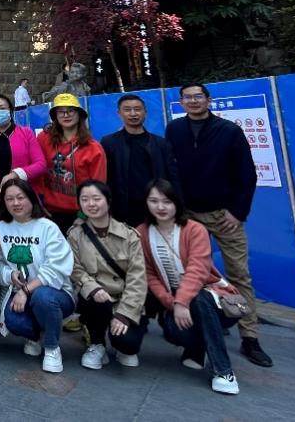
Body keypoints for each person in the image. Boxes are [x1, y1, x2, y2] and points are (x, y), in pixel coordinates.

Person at [165, 83, 270, 368]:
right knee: (190, 273)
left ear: (208, 100)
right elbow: (171, 170)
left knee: (239, 274)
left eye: (198, 96)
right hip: (187, 214)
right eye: (188, 97)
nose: (193, 101)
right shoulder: (175, 130)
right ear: (181, 102)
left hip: (224, 215)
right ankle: (203, 322)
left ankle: (249, 336)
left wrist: (237, 212)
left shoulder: (229, 131)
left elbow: (246, 174)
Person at [140, 179, 243, 394]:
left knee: (199, 299)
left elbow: (198, 269)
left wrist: (182, 302)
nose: (160, 207)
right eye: (154, 201)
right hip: (175, 302)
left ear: (177, 202)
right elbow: (149, 274)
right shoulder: (142, 232)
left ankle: (223, 370)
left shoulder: (194, 229)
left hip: (213, 302)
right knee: (172, 332)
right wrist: (171, 302)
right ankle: (196, 349)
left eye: (167, 201)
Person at [0, 178, 75, 374]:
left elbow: (57, 267)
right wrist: (9, 274)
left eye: (20, 197)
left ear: (31, 198)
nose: (16, 203)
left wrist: (26, 290)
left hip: (55, 293)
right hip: (20, 292)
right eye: (9, 199)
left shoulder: (47, 227)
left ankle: (52, 347)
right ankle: (36, 334)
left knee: (42, 297)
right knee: (13, 321)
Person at [67, 179, 147, 370]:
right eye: (85, 199)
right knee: (93, 298)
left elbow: (137, 278)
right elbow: (75, 268)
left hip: (123, 299)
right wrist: (92, 288)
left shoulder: (129, 235)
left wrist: (124, 314)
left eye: (96, 199)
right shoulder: (75, 235)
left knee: (128, 344)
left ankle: (120, 343)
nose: (91, 204)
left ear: (108, 201)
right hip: (97, 298)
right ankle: (97, 343)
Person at [101, 95, 181, 227]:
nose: (133, 113)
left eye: (137, 109)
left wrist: (179, 207)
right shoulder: (109, 143)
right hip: (122, 210)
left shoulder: (161, 144)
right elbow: (106, 178)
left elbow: (173, 177)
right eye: (127, 110)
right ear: (119, 113)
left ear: (145, 112)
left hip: (157, 208)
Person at [35, 93, 107, 232]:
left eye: (71, 110)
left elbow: (99, 186)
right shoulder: (44, 139)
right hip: (48, 212)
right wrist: (38, 203)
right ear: (55, 116)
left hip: (80, 215)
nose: (66, 115)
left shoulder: (93, 148)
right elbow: (37, 172)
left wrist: (83, 216)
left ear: (79, 114)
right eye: (61, 111)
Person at [0, 94, 45, 222]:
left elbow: (40, 164)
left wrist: (15, 175)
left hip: (21, 196)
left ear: (10, 109)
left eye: (2, 108)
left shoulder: (26, 133)